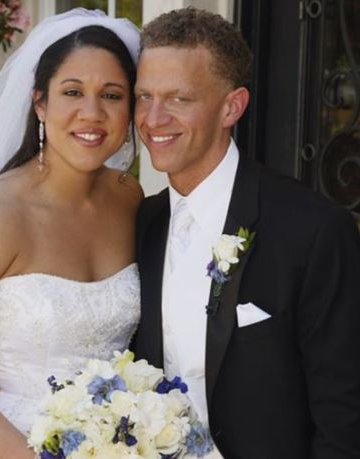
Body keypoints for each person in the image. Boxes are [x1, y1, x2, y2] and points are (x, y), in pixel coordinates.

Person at [132, 7, 360, 459]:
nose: (153, 118)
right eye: (143, 96)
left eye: (179, 98)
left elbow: (345, 416)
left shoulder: (313, 230)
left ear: (231, 107)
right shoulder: (140, 224)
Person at [0, 9, 142, 459]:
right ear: (40, 103)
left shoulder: (130, 199)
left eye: (112, 95)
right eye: (72, 92)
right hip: (8, 443)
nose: (92, 113)